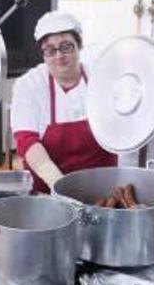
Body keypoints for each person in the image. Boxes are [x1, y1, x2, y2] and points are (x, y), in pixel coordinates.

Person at [11, 11, 117, 193]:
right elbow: (26, 141)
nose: (58, 56)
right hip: (49, 192)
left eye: (66, 46)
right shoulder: (30, 85)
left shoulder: (101, 79)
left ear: (79, 45)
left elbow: (119, 129)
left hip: (102, 190)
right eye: (50, 50)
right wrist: (61, 187)